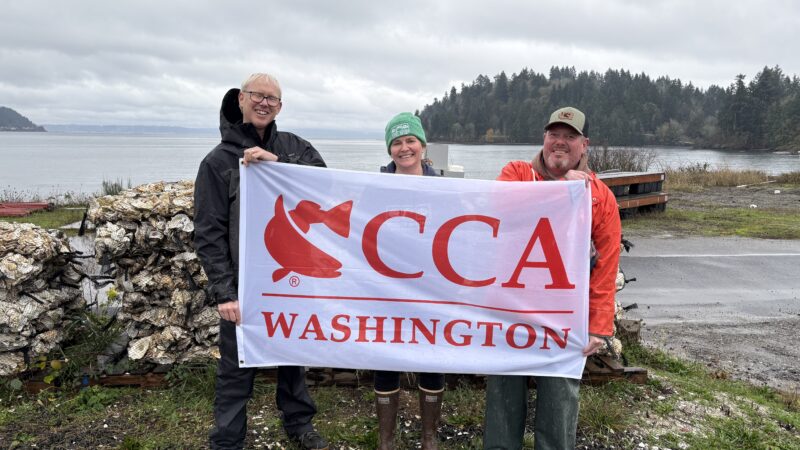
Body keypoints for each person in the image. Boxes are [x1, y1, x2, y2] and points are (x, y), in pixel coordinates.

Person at [193, 73, 329, 450]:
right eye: (257, 95)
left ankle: (299, 423)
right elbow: (208, 232)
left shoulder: (296, 148)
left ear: (280, 107)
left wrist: (278, 166)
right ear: (241, 99)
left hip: (290, 278)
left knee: (293, 357)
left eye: (272, 99)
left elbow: (326, 188)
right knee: (236, 367)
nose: (264, 103)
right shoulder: (217, 162)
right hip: (244, 284)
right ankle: (227, 439)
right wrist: (224, 292)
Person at [483, 107, 621, 450]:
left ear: (584, 144)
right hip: (510, 309)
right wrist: (562, 191)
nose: (560, 142)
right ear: (544, 138)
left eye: (570, 136)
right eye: (554, 134)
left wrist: (599, 325)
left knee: (559, 404)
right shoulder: (516, 173)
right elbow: (496, 207)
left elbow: (606, 265)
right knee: (502, 399)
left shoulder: (600, 196)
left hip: (564, 317)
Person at [374, 112, 445, 450]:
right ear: (390, 149)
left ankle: (429, 437)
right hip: (386, 286)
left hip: (432, 285)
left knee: (432, 356)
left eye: (410, 140)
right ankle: (386, 440)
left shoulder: (445, 187)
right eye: (397, 142)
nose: (404, 148)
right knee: (385, 357)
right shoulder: (374, 186)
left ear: (423, 145)